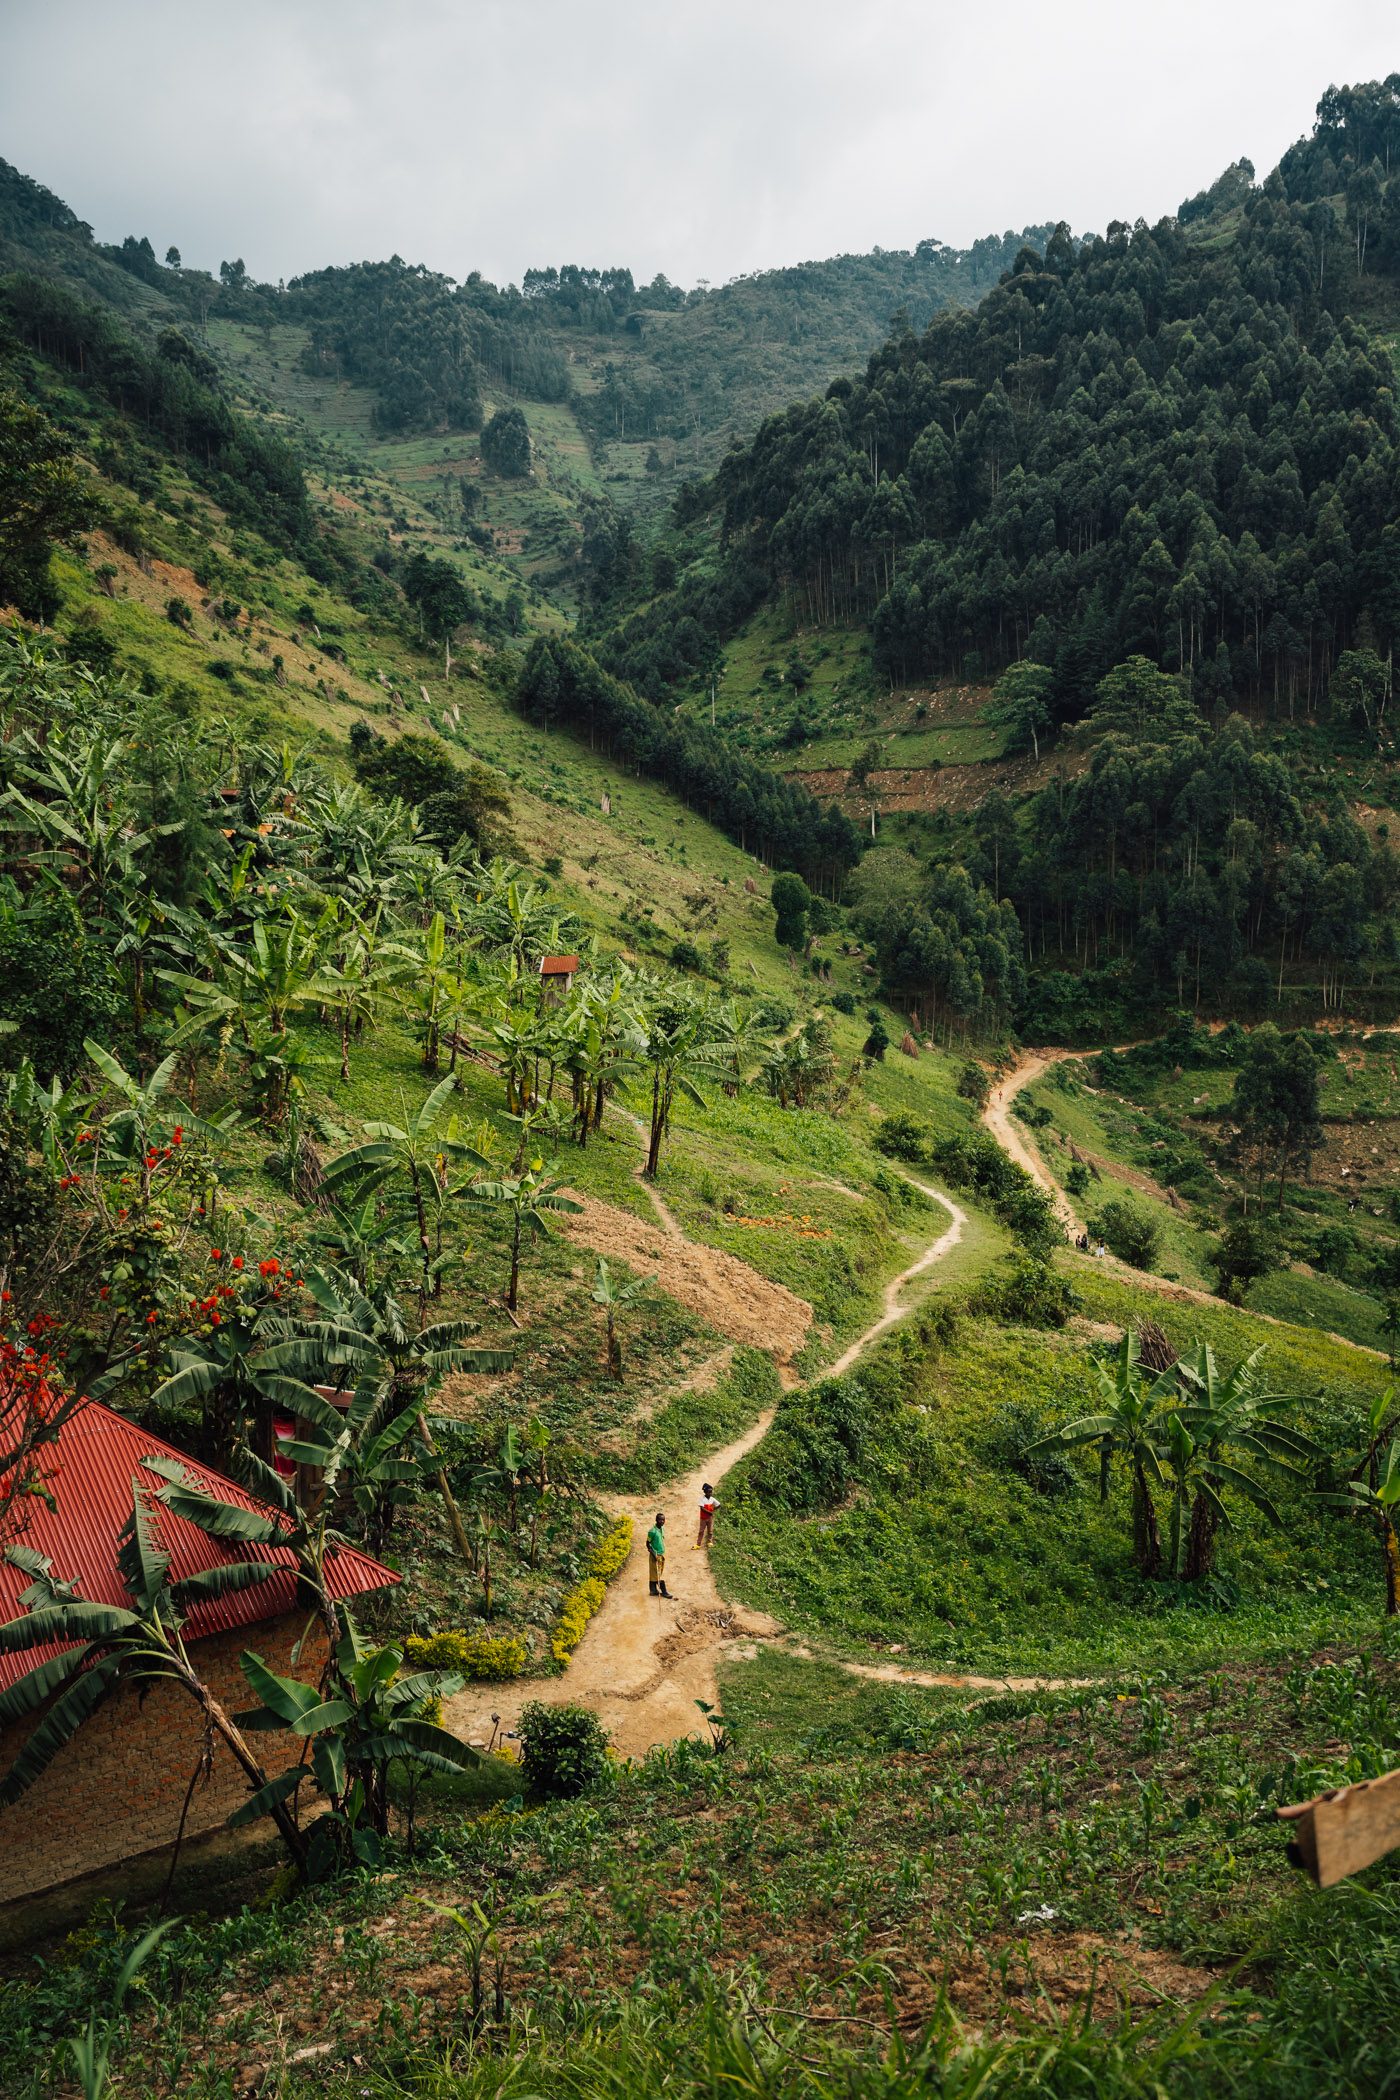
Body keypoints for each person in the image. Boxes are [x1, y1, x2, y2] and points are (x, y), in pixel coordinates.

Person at [646, 1511, 670, 1597]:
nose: (662, 1521)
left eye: (663, 1520)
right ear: (656, 1520)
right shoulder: (652, 1531)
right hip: (654, 1555)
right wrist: (654, 1554)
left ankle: (653, 1590)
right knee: (657, 1574)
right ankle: (664, 1592)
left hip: (660, 1554)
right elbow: (648, 1545)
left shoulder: (662, 1528)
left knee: (655, 1573)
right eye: (660, 1520)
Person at [695, 1482, 718, 1549]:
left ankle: (709, 1542)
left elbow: (719, 1505)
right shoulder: (702, 1499)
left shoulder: (712, 1499)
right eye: (709, 1492)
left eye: (711, 1492)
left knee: (710, 1530)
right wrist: (710, 1512)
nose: (710, 1493)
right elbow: (702, 1508)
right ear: (705, 1492)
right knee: (701, 1531)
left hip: (710, 1518)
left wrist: (713, 1509)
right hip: (703, 1518)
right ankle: (698, 1544)